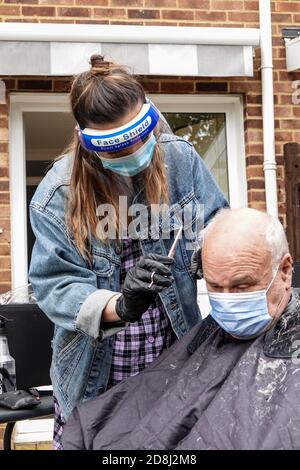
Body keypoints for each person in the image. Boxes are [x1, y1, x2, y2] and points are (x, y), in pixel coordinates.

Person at [28, 54, 228, 449]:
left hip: (173, 356)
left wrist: (220, 254)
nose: (135, 152)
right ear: (88, 142)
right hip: (98, 371)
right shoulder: (57, 194)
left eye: (140, 137)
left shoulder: (179, 159)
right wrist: (121, 305)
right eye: (118, 147)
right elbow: (56, 286)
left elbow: (215, 224)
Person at [62, 208, 300, 450]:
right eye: (215, 286)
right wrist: (121, 306)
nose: (228, 299)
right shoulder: (208, 337)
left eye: (241, 286)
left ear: (285, 271)